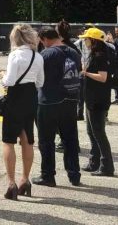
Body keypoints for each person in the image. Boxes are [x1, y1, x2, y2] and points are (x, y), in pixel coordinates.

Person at [0, 24, 44, 200]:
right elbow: (40, 82)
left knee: (8, 140)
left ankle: (11, 183)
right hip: (31, 97)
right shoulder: (37, 56)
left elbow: (9, 81)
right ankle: (25, 179)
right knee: (28, 139)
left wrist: (2, 77)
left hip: (16, 97)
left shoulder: (15, 55)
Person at [35, 27, 82, 188]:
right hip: (71, 99)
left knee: (46, 140)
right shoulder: (73, 52)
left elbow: (37, 77)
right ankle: (74, 174)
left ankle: (48, 175)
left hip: (49, 101)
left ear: (44, 39)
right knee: (70, 139)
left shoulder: (46, 54)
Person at [79, 27, 115, 177]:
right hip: (91, 98)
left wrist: (86, 73)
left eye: (86, 39)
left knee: (99, 132)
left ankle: (107, 166)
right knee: (91, 131)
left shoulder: (100, 56)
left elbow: (103, 77)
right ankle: (94, 161)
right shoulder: (94, 54)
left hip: (98, 99)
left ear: (93, 41)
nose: (84, 41)